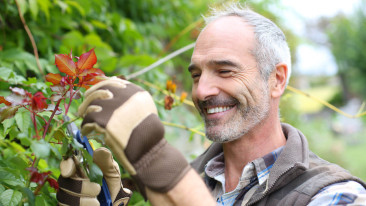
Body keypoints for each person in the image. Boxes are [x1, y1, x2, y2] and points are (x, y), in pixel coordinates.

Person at [56, 2, 366, 206]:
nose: (202, 91)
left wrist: (154, 157)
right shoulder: (187, 179)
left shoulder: (334, 193)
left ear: (277, 79)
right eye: (195, 75)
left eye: (225, 70)